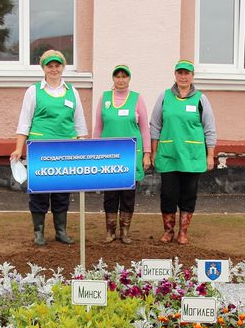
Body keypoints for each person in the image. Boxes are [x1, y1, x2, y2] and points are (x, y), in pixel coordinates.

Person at [9, 49, 88, 246]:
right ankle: (39, 232)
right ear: (43, 68)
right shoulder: (33, 91)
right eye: (49, 66)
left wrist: (82, 146)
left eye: (57, 65)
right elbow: (24, 123)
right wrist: (19, 149)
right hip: (40, 150)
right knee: (39, 192)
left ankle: (61, 231)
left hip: (66, 150)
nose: (54, 69)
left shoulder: (72, 92)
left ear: (63, 67)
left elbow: (80, 124)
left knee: (62, 192)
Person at [149, 59, 216, 244]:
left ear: (192, 76)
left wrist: (210, 155)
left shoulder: (201, 99)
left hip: (192, 156)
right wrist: (154, 151)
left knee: (188, 194)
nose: (183, 76)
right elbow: (155, 125)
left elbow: (209, 128)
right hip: (169, 155)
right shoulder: (164, 97)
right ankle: (168, 231)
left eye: (187, 73)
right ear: (175, 75)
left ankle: (183, 232)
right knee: (168, 194)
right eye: (180, 73)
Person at [92, 64, 151, 244]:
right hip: (109, 155)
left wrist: (147, 153)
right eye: (117, 76)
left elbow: (144, 129)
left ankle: (125, 232)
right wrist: (94, 152)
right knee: (110, 194)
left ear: (129, 79)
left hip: (131, 155)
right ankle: (110, 232)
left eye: (124, 76)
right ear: (113, 78)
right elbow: (98, 127)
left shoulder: (137, 98)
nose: (121, 80)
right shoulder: (104, 98)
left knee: (127, 194)